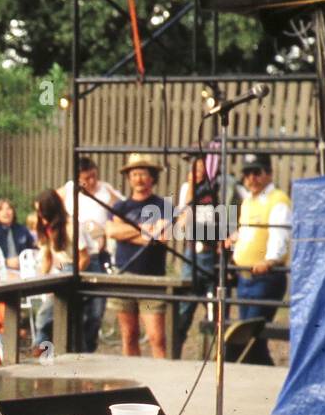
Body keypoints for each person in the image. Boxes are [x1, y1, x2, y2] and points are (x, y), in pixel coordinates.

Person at [104, 152, 171, 358]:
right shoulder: (120, 206)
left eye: (143, 174)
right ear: (128, 178)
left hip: (152, 279)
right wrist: (145, 230)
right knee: (129, 335)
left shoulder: (163, 205)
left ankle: (162, 380)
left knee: (156, 337)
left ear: (152, 177)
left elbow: (161, 237)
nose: (139, 179)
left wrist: (128, 231)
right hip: (124, 275)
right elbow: (112, 232)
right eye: (134, 174)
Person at [228, 152, 290, 365]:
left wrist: (270, 260)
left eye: (257, 173)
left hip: (265, 278)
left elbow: (279, 236)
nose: (251, 179)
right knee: (252, 336)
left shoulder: (277, 201)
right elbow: (249, 232)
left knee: (249, 335)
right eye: (247, 174)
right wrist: (234, 240)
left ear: (269, 174)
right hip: (246, 277)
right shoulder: (248, 202)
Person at [59, 157, 123, 352]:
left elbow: (122, 208)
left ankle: (89, 348)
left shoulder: (105, 190)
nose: (92, 182)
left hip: (99, 255)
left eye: (94, 176)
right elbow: (50, 206)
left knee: (97, 309)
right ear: (77, 179)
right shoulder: (68, 190)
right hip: (74, 255)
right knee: (75, 308)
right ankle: (73, 349)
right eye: (87, 178)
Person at [174, 155, 223, 344]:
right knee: (185, 304)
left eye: (203, 163)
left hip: (211, 251)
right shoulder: (188, 188)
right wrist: (191, 189)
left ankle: (216, 354)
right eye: (195, 164)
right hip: (192, 250)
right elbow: (183, 221)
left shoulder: (218, 186)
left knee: (214, 306)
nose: (199, 168)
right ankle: (176, 346)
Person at [32, 188, 87, 348]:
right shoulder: (47, 227)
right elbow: (47, 257)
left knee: (47, 314)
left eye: (43, 212)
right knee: (65, 316)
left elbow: (84, 258)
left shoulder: (70, 225)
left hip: (80, 268)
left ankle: (39, 347)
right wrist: (42, 281)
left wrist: (74, 280)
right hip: (64, 269)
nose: (41, 216)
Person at [0, 198, 36, 267]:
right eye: (1, 210)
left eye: (8, 209)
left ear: (13, 212)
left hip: (25, 268)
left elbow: (33, 249)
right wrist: (6, 262)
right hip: (2, 270)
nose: (6, 212)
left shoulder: (23, 230)